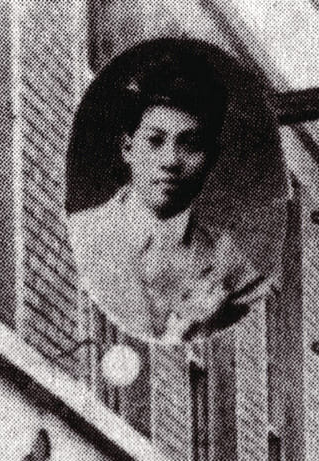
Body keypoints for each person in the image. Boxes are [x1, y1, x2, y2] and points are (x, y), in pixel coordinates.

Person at [67, 58, 267, 344]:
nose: (170, 161)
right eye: (155, 141)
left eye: (191, 144)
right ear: (127, 147)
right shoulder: (83, 233)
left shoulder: (234, 271)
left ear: (211, 157)